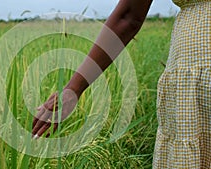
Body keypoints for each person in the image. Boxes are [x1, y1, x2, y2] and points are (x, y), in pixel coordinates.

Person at [32, 0, 211, 168]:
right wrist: (73, 89)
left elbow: (128, 17)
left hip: (197, 64)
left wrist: (73, 88)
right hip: (197, 66)